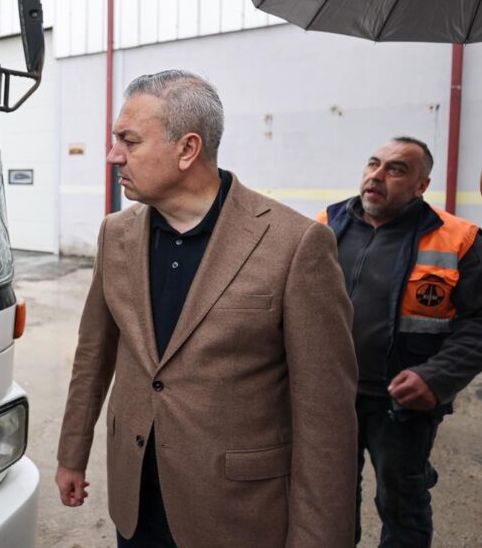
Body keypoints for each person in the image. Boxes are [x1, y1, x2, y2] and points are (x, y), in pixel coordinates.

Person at [56, 70, 358, 548]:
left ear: (187, 149)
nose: (113, 155)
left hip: (234, 514)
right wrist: (72, 453)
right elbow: (94, 355)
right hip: (136, 503)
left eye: (129, 141)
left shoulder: (296, 245)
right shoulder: (116, 233)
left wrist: (317, 538)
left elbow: (326, 418)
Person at [316, 137, 482, 547]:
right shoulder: (325, 225)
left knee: (401, 502)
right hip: (331, 396)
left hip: (403, 403)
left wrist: (437, 377)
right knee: (329, 501)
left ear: (421, 185)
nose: (377, 175)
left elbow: (478, 323)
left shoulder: (458, 239)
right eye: (373, 164)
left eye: (396, 169)